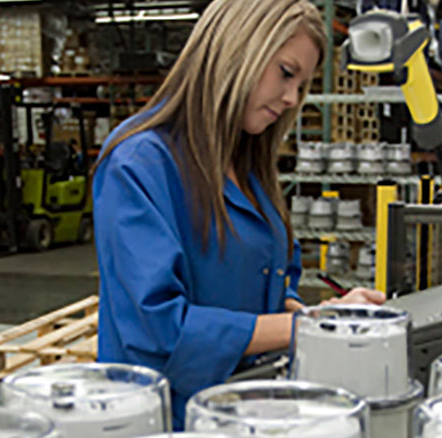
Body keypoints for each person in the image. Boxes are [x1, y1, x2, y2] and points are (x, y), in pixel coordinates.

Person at [91, 0, 386, 430]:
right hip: (164, 418)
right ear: (237, 50)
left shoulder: (246, 163)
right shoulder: (139, 164)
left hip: (244, 408)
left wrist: (324, 317)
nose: (290, 99)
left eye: (301, 86)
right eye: (286, 73)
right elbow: (160, 331)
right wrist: (302, 328)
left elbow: (269, 283)